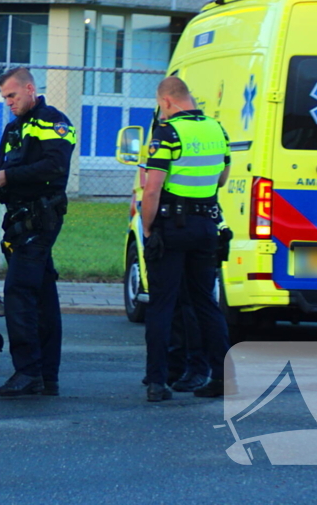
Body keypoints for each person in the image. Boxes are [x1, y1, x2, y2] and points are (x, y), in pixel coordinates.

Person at [0, 67, 75, 398]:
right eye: (5, 97)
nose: (9, 102)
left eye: (13, 95)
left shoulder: (54, 121)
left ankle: (28, 372)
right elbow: (5, 173)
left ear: (30, 89)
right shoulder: (14, 128)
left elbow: (54, 167)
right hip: (19, 220)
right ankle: (47, 376)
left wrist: (8, 178)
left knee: (18, 292)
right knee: (43, 297)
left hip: (41, 219)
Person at [141, 76, 231, 402]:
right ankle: (221, 377)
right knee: (206, 303)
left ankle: (157, 382)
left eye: (160, 106)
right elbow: (222, 178)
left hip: (172, 227)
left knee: (162, 305)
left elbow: (152, 189)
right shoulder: (217, 130)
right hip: (206, 226)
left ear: (166, 101)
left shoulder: (168, 133)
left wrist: (148, 228)